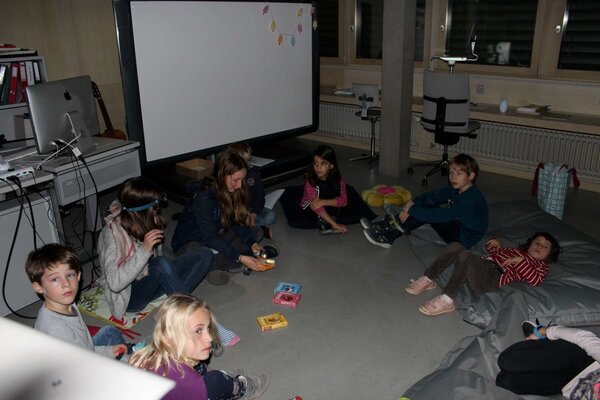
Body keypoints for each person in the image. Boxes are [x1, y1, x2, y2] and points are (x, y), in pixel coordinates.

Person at [97, 177, 214, 318]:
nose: (157, 210)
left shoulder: (146, 220)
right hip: (129, 296)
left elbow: (160, 257)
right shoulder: (111, 234)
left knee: (205, 254)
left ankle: (173, 307)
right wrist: (144, 250)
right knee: (161, 264)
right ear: (140, 211)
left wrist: (172, 269)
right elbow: (114, 284)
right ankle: (187, 313)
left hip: (151, 278)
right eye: (154, 207)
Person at [130, 293, 268, 400]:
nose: (209, 338)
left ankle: (219, 378)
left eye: (207, 328)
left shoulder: (154, 356)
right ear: (170, 338)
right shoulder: (188, 381)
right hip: (194, 390)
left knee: (199, 363)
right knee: (215, 380)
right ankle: (239, 388)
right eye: (198, 331)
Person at [405, 232, 560, 316]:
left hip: (492, 278)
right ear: (530, 244)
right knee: (455, 246)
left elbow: (535, 280)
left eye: (545, 246)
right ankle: (428, 278)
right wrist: (495, 242)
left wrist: (521, 262)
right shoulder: (514, 251)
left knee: (465, 255)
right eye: (537, 242)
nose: (539, 246)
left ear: (549, 254)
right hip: (482, 264)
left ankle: (447, 299)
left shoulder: (541, 266)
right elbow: (494, 252)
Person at [171, 149, 269, 274]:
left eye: (242, 180)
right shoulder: (204, 198)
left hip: (216, 235)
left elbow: (236, 224)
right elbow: (210, 237)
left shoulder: (232, 191)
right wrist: (240, 257)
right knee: (204, 255)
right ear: (222, 175)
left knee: (256, 232)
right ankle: (233, 260)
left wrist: (252, 243)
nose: (239, 185)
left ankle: (226, 258)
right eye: (236, 180)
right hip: (190, 242)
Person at [361, 153, 488, 249]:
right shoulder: (457, 188)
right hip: (458, 225)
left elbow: (440, 215)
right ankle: (387, 225)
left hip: (463, 239)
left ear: (471, 176)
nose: (453, 177)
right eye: (451, 173)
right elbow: (431, 196)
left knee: (431, 210)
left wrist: (412, 209)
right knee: (427, 203)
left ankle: (390, 235)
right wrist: (410, 204)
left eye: (458, 174)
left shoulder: (470, 200)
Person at [26, 243, 127, 359]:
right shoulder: (56, 329)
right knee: (128, 358)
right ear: (39, 287)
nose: (66, 284)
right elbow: (82, 364)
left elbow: (85, 348)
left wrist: (109, 351)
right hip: (77, 367)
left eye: (70, 275)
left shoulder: (66, 302)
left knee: (110, 332)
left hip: (82, 353)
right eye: (55, 279)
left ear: (78, 276)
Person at [496, 321, 600, 399]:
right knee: (507, 361)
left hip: (569, 386)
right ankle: (548, 338)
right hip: (582, 359)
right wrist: (543, 331)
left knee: (504, 382)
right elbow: (585, 339)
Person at [228, 142, 276, 239]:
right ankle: (257, 229)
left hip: (250, 209)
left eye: (248, 161)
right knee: (229, 223)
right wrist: (241, 215)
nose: (246, 165)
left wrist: (253, 214)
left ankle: (251, 227)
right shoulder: (230, 177)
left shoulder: (252, 174)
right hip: (235, 213)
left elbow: (260, 197)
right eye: (243, 162)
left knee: (270, 216)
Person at [300, 144, 348, 235]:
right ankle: (326, 221)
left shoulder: (338, 179)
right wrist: (334, 224)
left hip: (323, 202)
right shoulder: (310, 181)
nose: (318, 168)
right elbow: (315, 205)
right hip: (310, 205)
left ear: (331, 166)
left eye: (323, 163)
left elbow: (344, 201)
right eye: (316, 163)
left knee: (335, 189)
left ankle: (329, 219)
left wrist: (323, 202)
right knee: (319, 193)